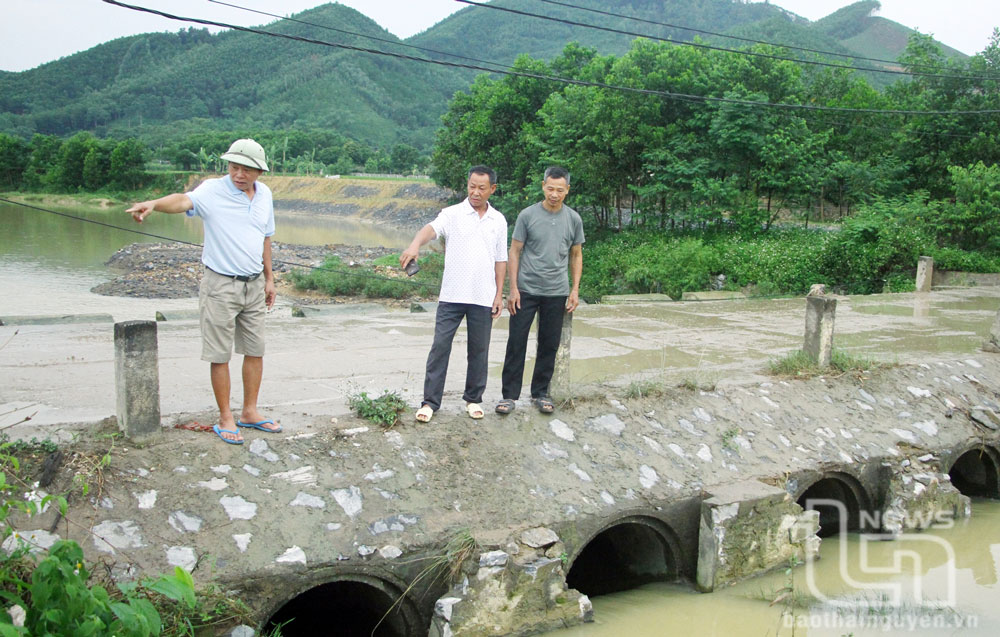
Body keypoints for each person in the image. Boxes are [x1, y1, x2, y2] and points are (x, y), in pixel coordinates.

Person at [127, 139, 279, 444]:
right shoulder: (212, 190)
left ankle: (249, 411)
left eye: (246, 169)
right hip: (220, 285)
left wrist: (269, 278)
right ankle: (226, 417)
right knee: (219, 353)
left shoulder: (265, 195)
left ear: (259, 171)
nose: (238, 174)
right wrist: (155, 205)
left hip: (253, 284)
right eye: (234, 167)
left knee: (255, 350)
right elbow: (183, 201)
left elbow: (265, 238)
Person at [400, 165, 507, 422]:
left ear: (492, 188)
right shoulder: (452, 214)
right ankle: (430, 402)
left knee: (479, 350)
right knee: (440, 347)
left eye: (482, 188)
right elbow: (430, 229)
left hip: (482, 296)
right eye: (472, 186)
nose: (476, 192)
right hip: (451, 296)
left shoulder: (498, 220)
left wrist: (498, 295)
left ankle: (473, 399)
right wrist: (415, 245)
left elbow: (501, 259)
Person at [496, 166, 584, 415]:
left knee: (549, 343)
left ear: (567, 190)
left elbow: (576, 255)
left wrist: (575, 289)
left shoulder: (573, 219)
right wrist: (512, 288)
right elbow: (514, 251)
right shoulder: (528, 215)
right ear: (543, 186)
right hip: (526, 290)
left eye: (559, 190)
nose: (554, 194)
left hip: (557, 291)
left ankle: (540, 393)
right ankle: (509, 396)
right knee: (516, 342)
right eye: (550, 188)